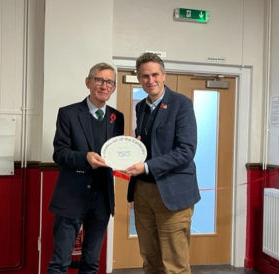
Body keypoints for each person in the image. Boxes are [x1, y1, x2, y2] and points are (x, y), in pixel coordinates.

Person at [125, 53, 200, 274]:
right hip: (142, 192)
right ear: (139, 78)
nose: (151, 80)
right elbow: (148, 145)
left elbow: (186, 151)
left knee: (174, 263)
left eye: (155, 74)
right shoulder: (141, 107)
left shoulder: (181, 104)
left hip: (172, 194)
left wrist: (147, 166)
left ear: (163, 75)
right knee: (150, 258)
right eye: (145, 76)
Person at [47, 62, 124, 274]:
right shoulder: (68, 113)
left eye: (109, 82)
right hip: (71, 197)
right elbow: (59, 153)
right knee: (59, 263)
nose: (104, 85)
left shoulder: (117, 117)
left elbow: (116, 154)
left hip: (101, 200)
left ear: (114, 88)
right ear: (88, 82)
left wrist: (131, 153)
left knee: (91, 263)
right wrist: (85, 157)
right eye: (99, 80)